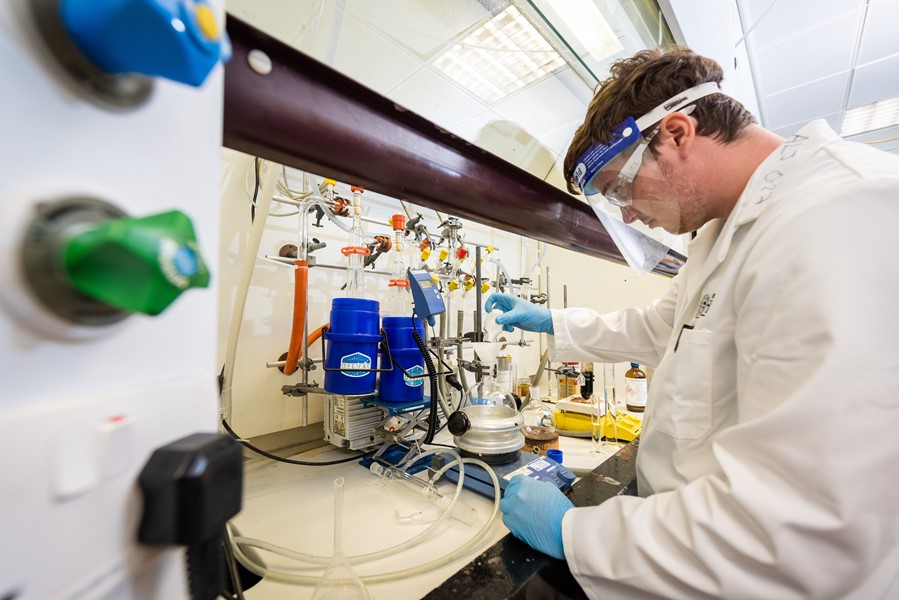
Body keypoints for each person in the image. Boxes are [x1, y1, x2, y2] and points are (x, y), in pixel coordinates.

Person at [486, 46, 899, 598]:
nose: (627, 214)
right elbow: (664, 329)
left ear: (677, 133)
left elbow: (802, 528)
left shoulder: (840, 216)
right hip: (695, 552)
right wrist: (553, 321)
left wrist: (579, 534)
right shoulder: (723, 233)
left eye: (619, 189)